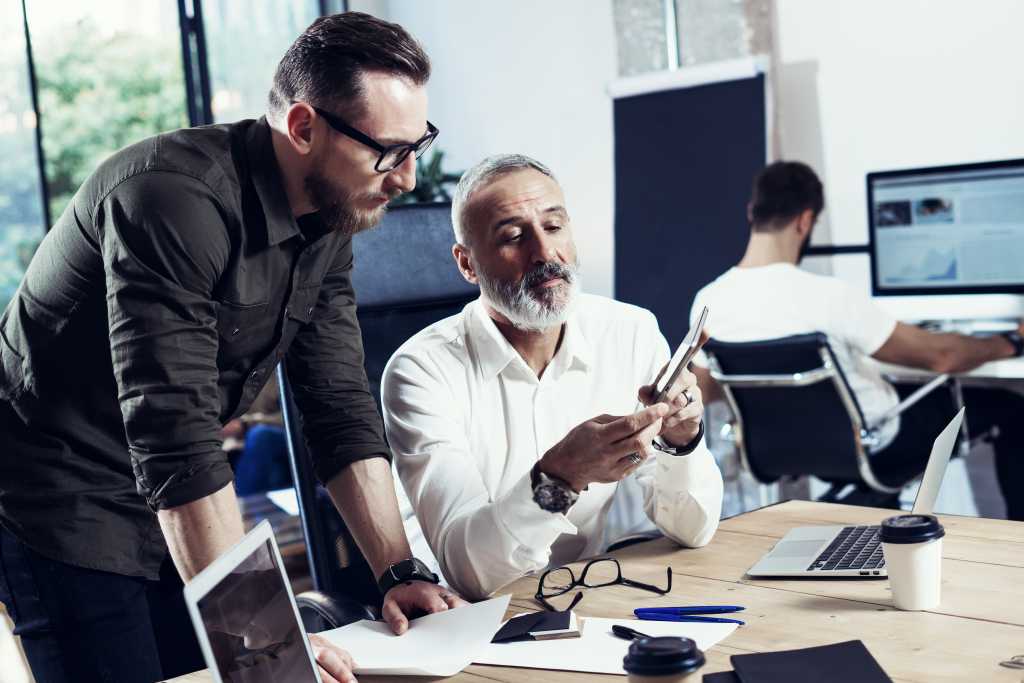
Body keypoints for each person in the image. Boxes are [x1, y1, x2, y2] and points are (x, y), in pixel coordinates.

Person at [0, 13, 466, 683]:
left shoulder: (331, 210)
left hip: (171, 491)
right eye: (388, 152)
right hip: (63, 492)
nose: (409, 177)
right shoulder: (169, 198)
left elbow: (335, 399)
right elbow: (176, 433)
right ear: (304, 128)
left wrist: (399, 570)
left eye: (417, 144)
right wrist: (261, 638)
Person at [380, 154, 724, 601]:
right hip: (465, 621)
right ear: (467, 264)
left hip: (591, 598)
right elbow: (472, 575)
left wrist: (682, 442)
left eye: (554, 227)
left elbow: (693, 530)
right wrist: (559, 480)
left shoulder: (630, 332)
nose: (545, 254)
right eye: (514, 236)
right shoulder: (421, 371)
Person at [689, 160, 1024, 518]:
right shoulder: (828, 297)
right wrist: (1012, 342)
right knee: (1012, 406)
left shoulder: (708, 300)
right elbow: (942, 357)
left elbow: (706, 390)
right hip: (878, 445)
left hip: (784, 449)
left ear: (752, 212)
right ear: (805, 220)